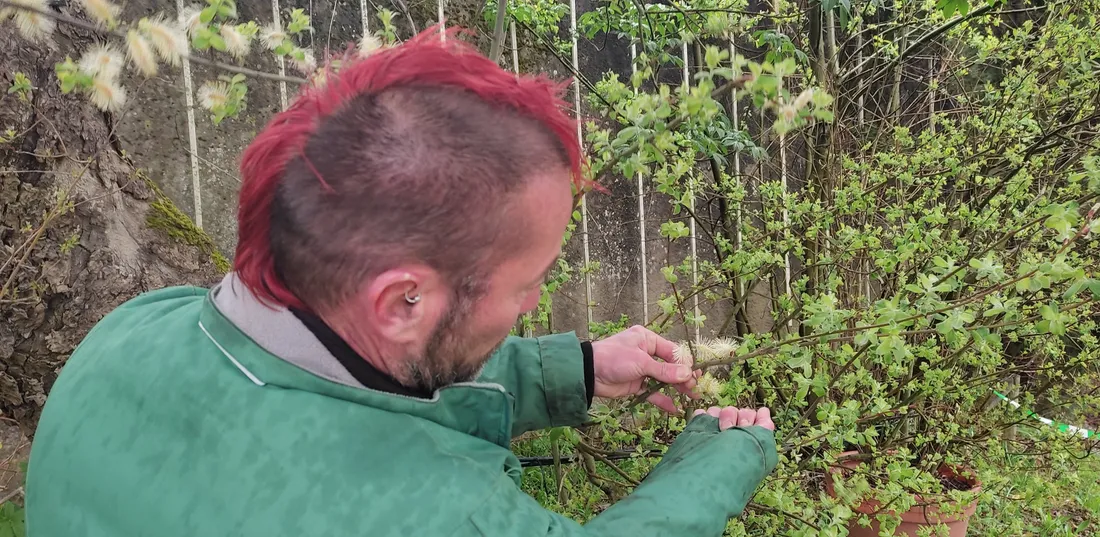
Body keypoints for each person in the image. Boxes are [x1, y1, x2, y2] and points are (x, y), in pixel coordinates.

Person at [24, 27, 777, 537]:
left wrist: (576, 370)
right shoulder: (443, 513)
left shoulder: (133, 329)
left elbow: (356, 385)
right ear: (402, 300)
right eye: (526, 286)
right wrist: (710, 464)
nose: (531, 306)